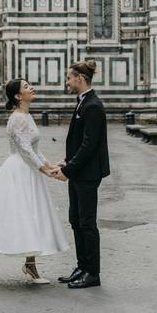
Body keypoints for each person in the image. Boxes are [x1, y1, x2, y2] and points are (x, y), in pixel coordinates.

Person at [0, 79, 69, 286]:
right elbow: (25, 149)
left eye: (30, 85)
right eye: (27, 87)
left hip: (30, 171)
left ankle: (30, 265)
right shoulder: (17, 119)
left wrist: (49, 165)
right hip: (17, 171)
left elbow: (35, 148)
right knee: (4, 216)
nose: (32, 88)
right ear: (18, 97)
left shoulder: (27, 116)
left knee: (33, 215)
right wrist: (45, 170)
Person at [48, 59, 110, 289]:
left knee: (86, 222)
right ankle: (82, 266)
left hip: (87, 173)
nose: (67, 82)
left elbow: (89, 145)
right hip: (79, 171)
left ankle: (92, 273)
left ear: (80, 79)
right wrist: (67, 162)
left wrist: (68, 170)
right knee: (76, 220)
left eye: (69, 78)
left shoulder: (92, 105)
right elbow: (80, 142)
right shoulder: (83, 102)